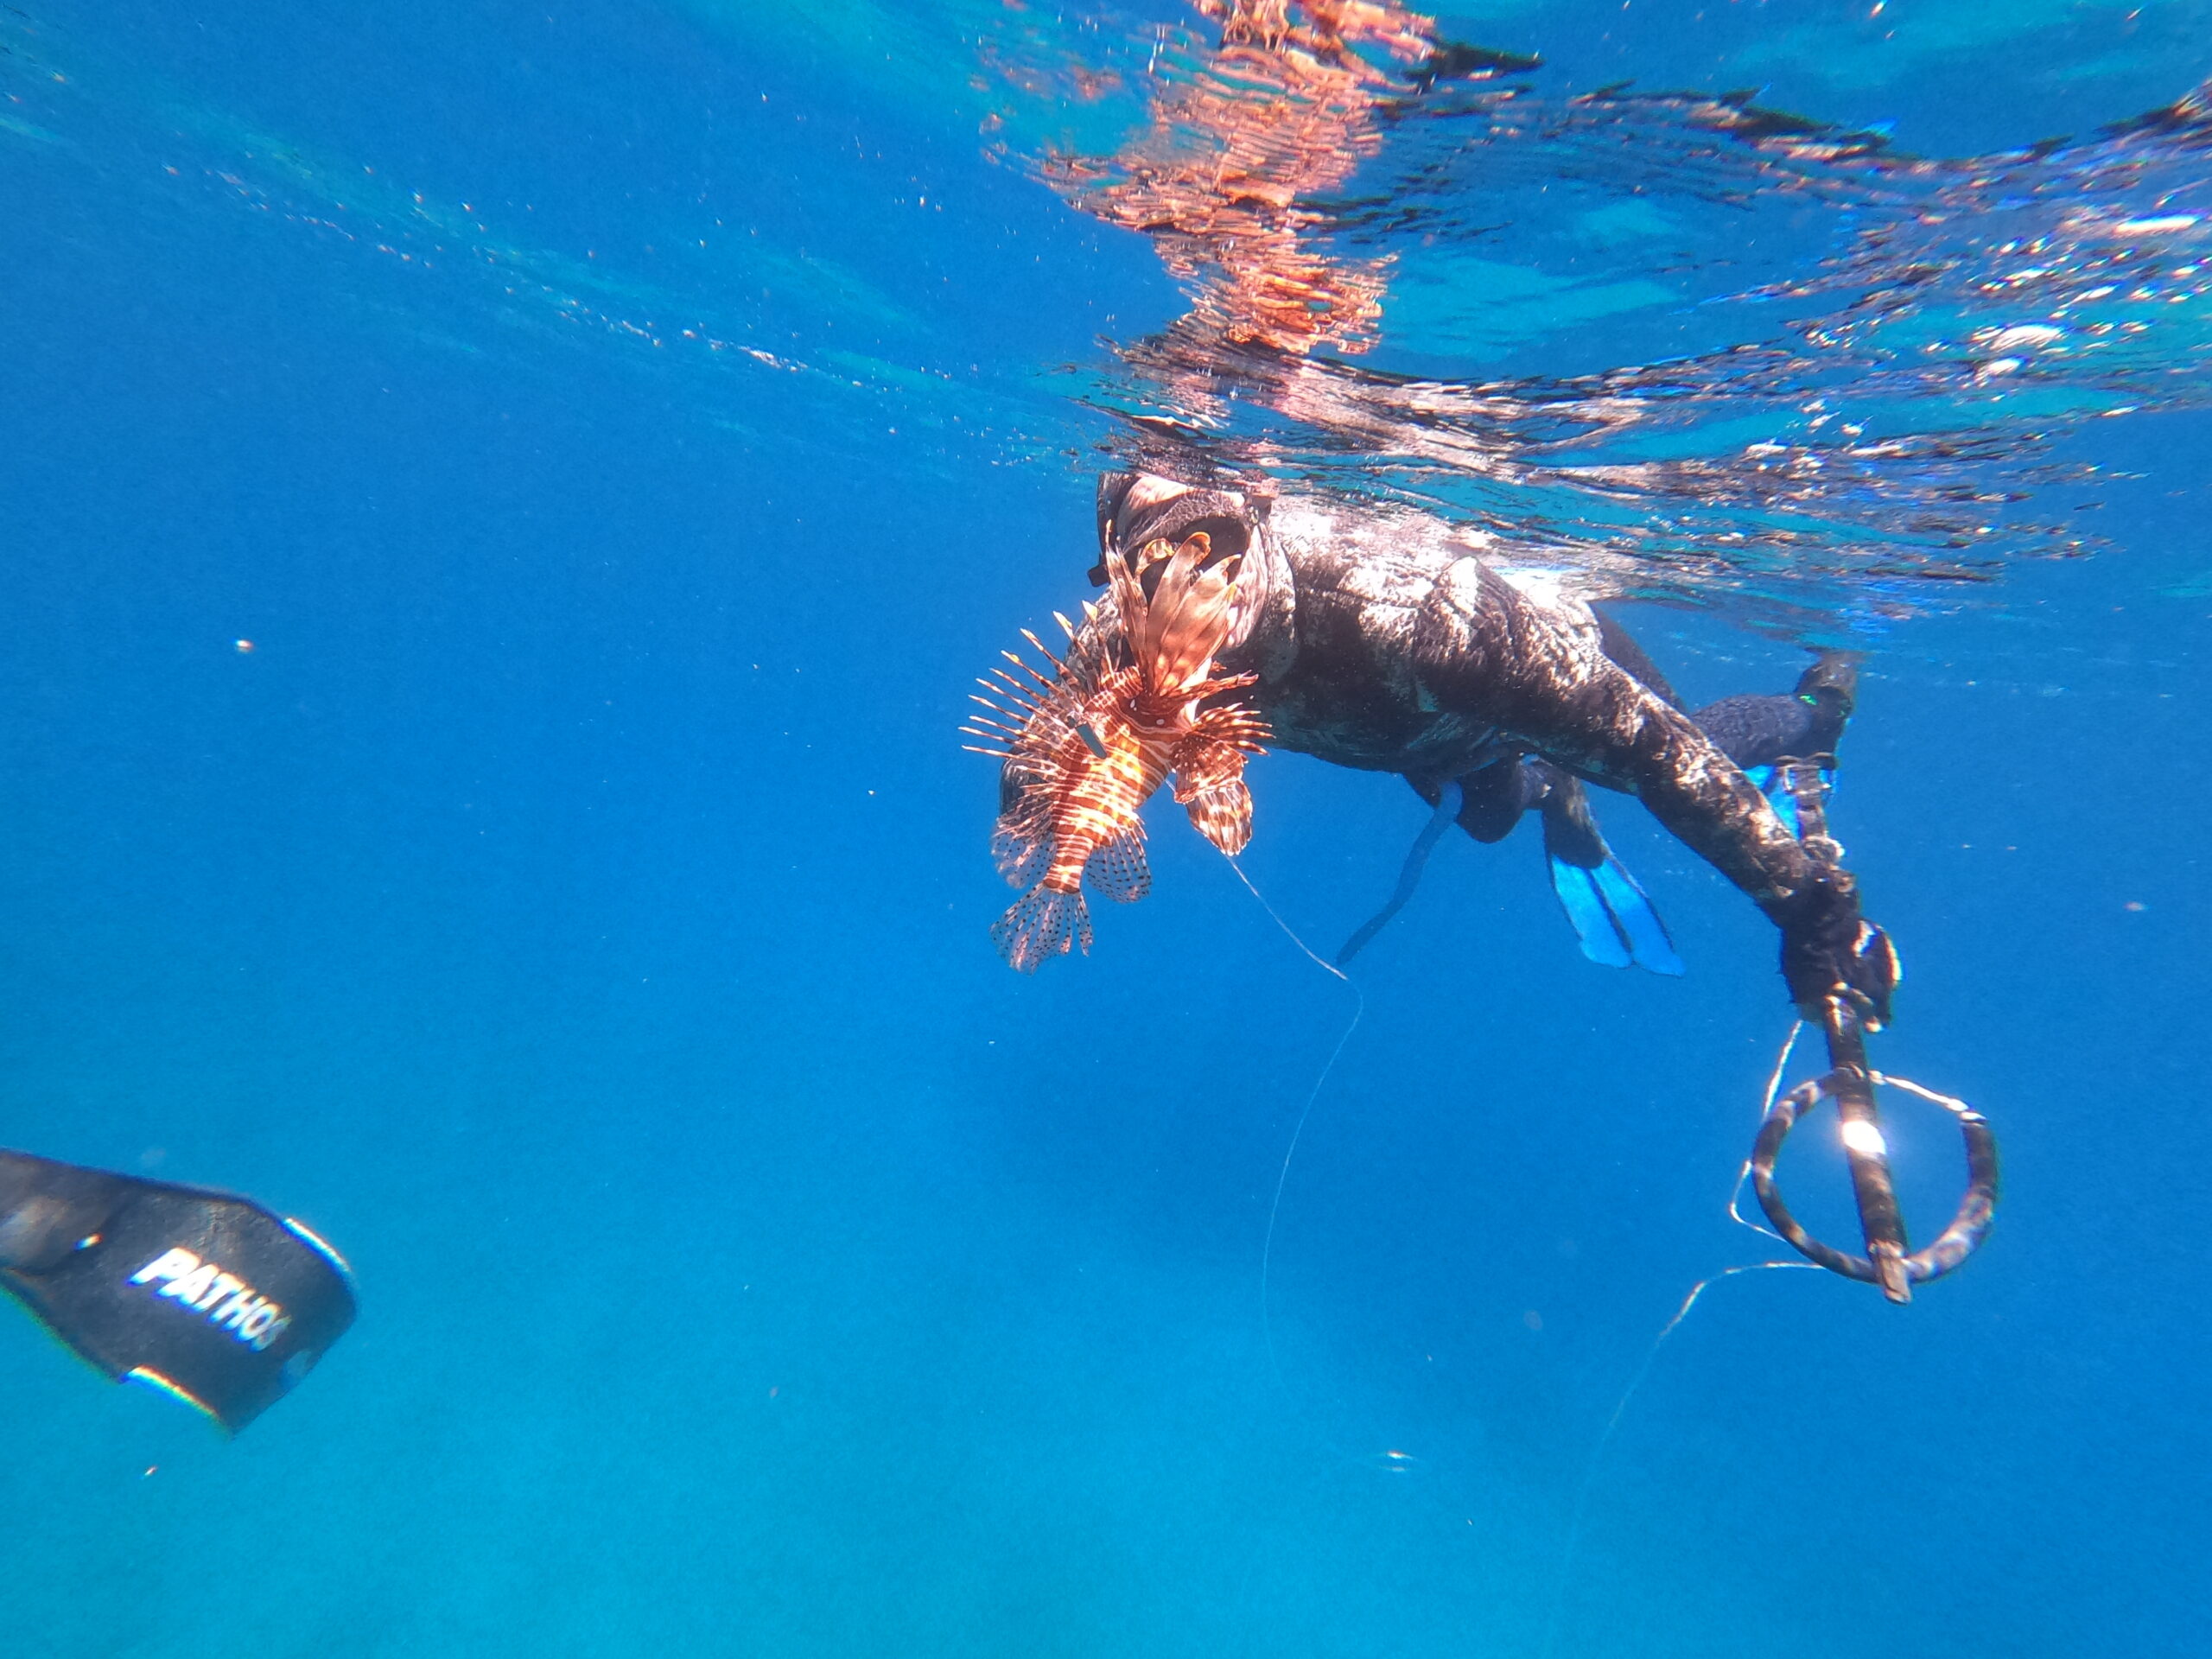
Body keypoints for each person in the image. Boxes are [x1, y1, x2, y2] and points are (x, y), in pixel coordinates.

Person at [1072, 471, 1898, 1024]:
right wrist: (1059, 799)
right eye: (1139, 573)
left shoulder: (1426, 623)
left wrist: (1811, 910)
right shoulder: (1125, 632)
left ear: (1248, 530)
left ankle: (1819, 707)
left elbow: (1661, 755)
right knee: (1490, 820)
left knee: (1682, 754)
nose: (1175, 604)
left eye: (1198, 561)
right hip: (1422, 739)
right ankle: (1549, 790)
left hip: (1525, 669)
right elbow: (1037, 765)